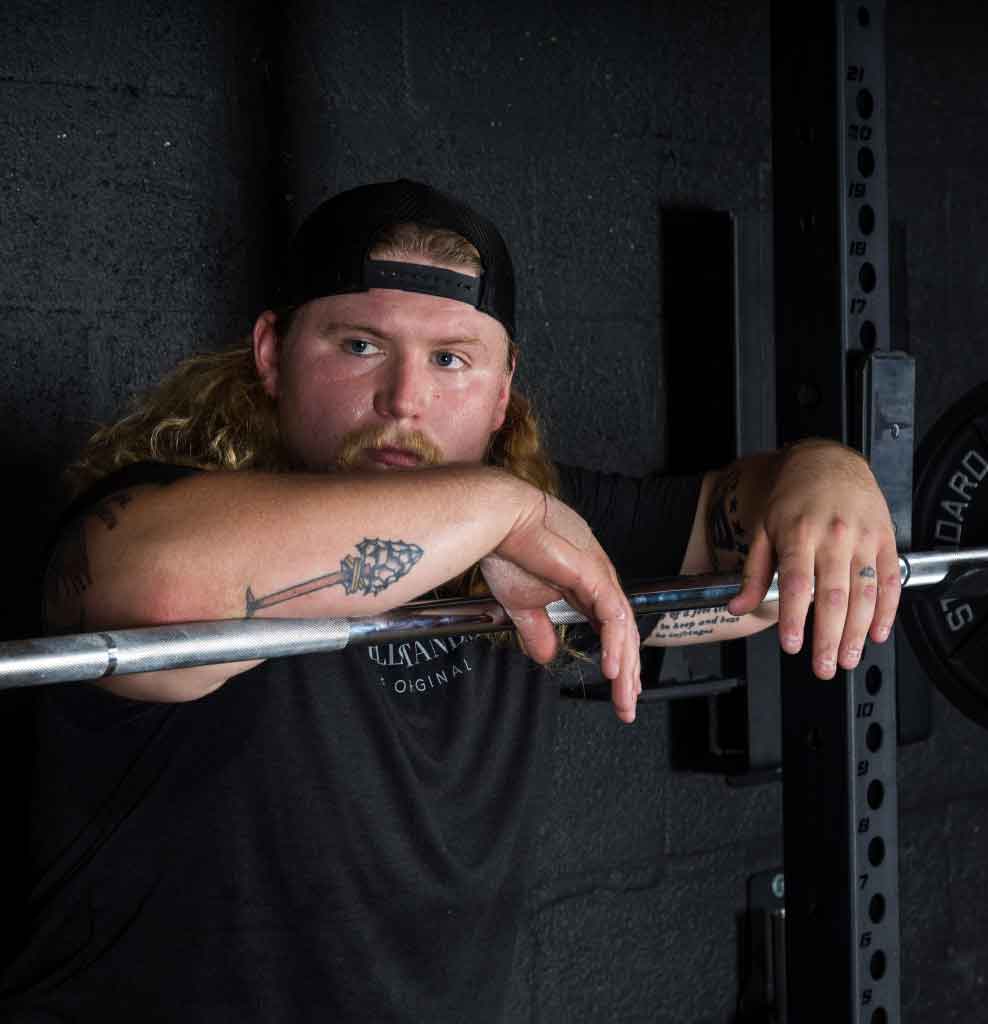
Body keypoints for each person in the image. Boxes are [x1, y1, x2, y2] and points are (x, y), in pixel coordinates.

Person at [0, 180, 901, 1022]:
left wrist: (828, 471)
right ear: (272, 356)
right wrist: (498, 505)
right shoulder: (156, 512)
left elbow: (753, 567)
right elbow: (164, 598)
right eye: (359, 346)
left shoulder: (543, 524)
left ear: (504, 393)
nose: (405, 400)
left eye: (451, 360)